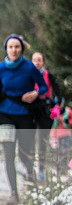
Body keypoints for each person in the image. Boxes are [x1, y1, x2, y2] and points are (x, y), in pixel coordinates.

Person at [0, 35, 48, 203]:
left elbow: (43, 86)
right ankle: (13, 192)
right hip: (6, 114)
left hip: (25, 115)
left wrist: (35, 93)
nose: (14, 50)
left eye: (17, 47)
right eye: (10, 47)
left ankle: (30, 179)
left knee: (25, 153)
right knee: (8, 154)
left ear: (22, 49)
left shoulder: (29, 67)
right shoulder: (1, 68)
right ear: (6, 49)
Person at [31, 51, 64, 179]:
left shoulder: (48, 76)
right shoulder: (28, 75)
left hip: (45, 110)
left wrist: (58, 105)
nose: (37, 62)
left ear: (43, 62)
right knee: (28, 137)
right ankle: (29, 166)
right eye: (34, 60)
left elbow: (58, 92)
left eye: (39, 60)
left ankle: (41, 170)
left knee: (42, 140)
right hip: (31, 109)